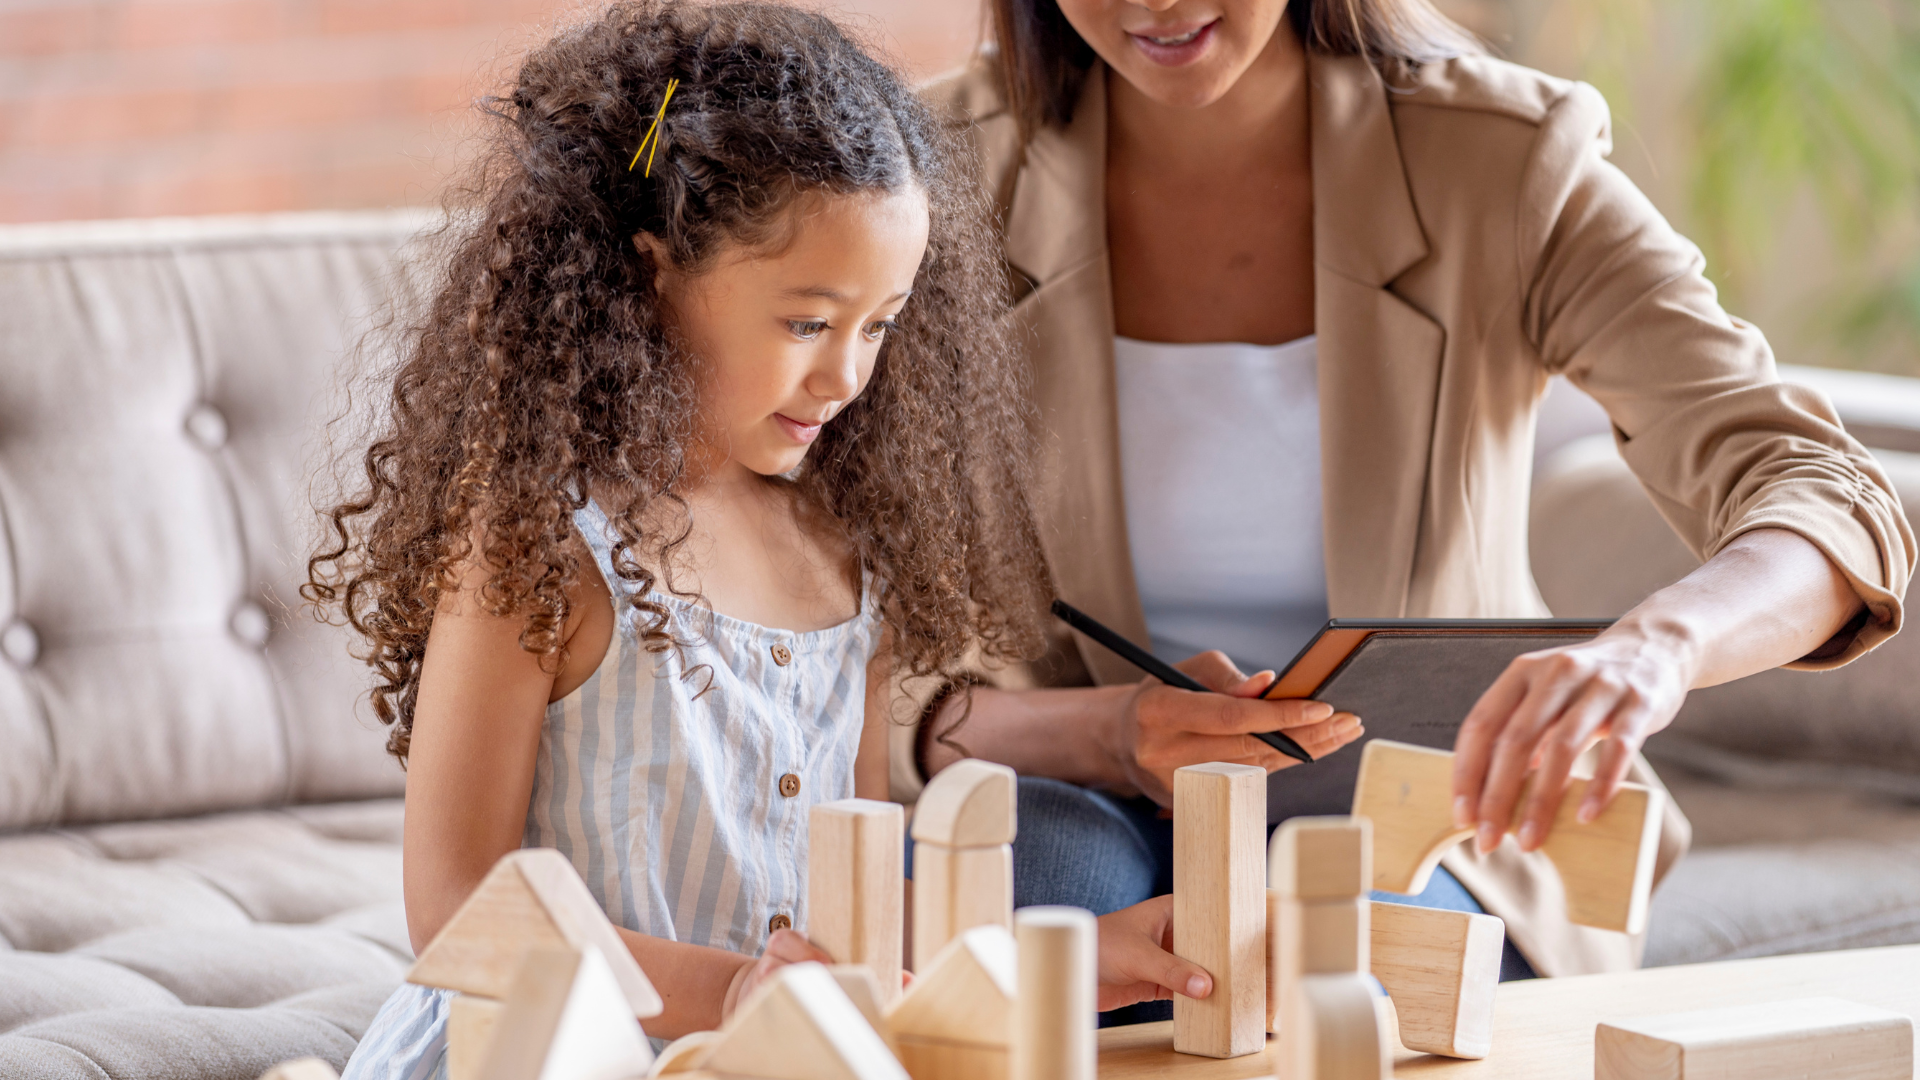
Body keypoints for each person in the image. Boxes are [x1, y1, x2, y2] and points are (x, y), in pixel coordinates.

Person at [909, 0, 1913, 1014]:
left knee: (1334, 981)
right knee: (1042, 941)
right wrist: (1113, 734)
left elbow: (1824, 487)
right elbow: (813, 643)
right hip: (1064, 776)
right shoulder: (925, 172)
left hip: (1428, 806)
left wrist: (1657, 647)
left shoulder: (1501, 162)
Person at [306, 3, 1222, 1072]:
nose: (847, 375)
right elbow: (460, 913)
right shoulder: (540, 548)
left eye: (879, 325)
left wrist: (1058, 953)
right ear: (652, 273)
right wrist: (736, 990)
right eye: (806, 323)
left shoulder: (845, 558)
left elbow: (852, 900)